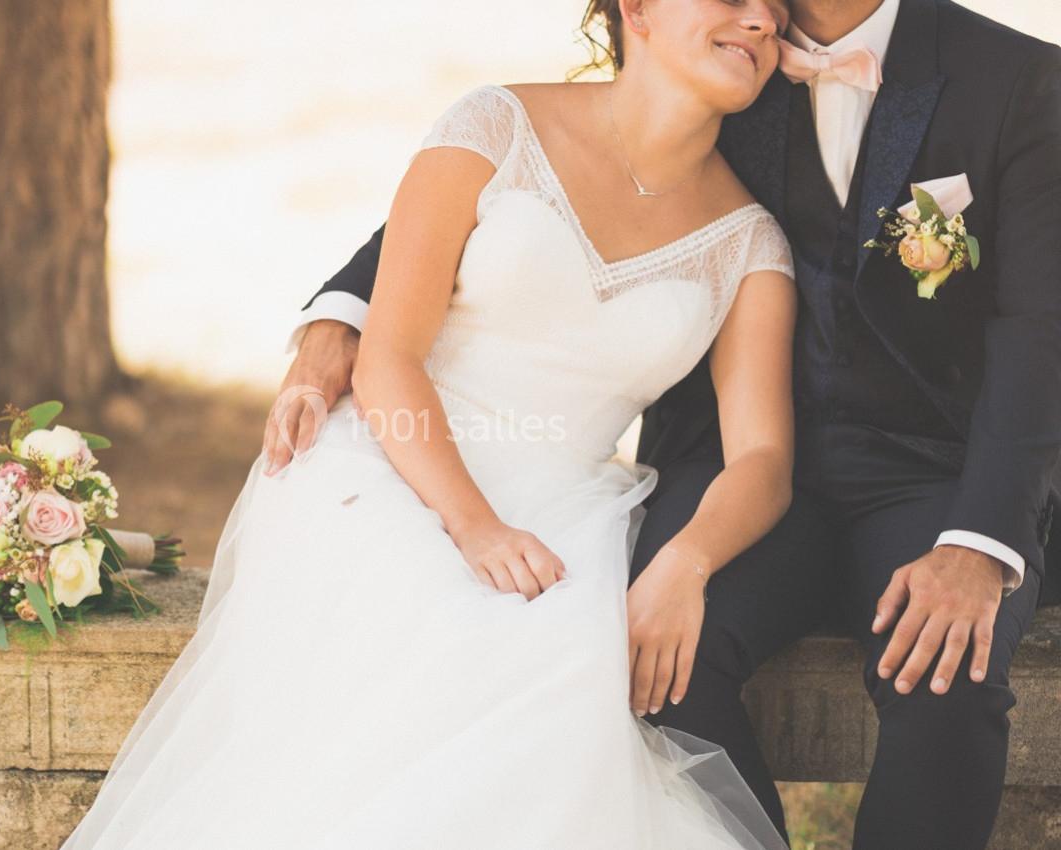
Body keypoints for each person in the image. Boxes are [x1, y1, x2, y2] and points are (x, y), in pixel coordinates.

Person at [280, 1, 1061, 848]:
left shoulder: (1019, 83)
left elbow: (1041, 332)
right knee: (659, 664)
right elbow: (532, 165)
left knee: (945, 673)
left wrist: (981, 543)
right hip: (729, 458)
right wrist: (343, 319)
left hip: (935, 468)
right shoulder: (729, 50)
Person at [60, 0, 801, 847]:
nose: (761, 20)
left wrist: (687, 561)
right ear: (637, 6)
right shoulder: (492, 128)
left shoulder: (750, 245)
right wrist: (475, 526)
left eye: (775, 14)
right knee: (434, 643)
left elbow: (763, 457)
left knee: (551, 686)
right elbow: (389, 358)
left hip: (571, 512)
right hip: (390, 463)